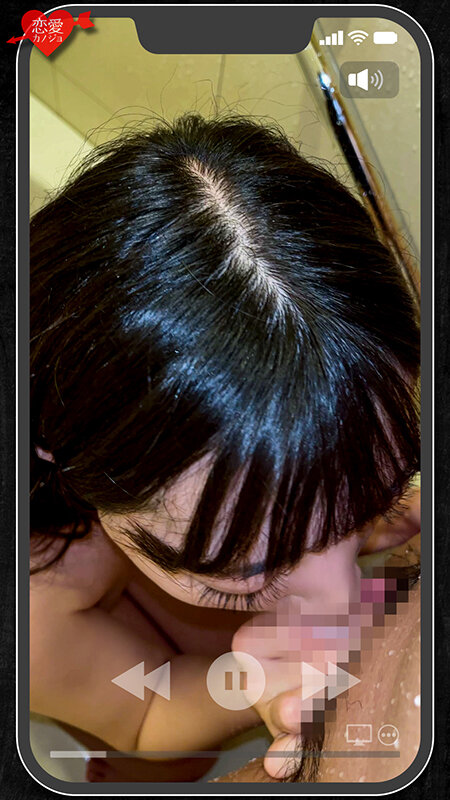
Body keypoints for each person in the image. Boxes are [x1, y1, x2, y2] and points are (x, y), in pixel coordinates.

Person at [29, 112, 420, 783]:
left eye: (366, 503)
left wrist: (385, 520)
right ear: (56, 454)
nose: (342, 603)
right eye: (244, 575)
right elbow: (143, 714)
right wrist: (250, 683)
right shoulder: (34, 598)